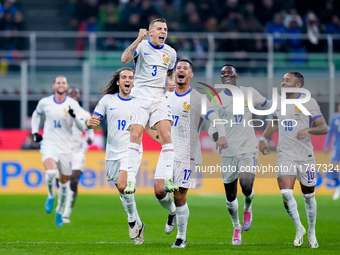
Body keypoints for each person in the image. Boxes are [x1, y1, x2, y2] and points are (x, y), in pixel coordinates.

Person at [145, 59, 228, 248]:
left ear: (190, 75)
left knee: (180, 195)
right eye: (178, 68)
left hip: (187, 153)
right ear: (174, 74)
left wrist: (221, 136)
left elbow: (214, 117)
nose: (181, 70)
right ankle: (172, 212)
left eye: (185, 68)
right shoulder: (165, 95)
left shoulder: (198, 98)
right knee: (159, 191)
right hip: (167, 151)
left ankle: (181, 237)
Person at [259, 72, 328, 248]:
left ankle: (311, 232)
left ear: (298, 86)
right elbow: (274, 122)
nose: (283, 83)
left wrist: (309, 129)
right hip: (285, 154)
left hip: (305, 156)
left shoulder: (309, 102)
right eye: (283, 80)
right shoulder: (278, 102)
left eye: (287, 80)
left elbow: (323, 127)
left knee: (308, 196)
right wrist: (263, 138)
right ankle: (299, 228)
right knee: (286, 193)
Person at [208, 64, 271, 245]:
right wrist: (218, 136)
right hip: (228, 152)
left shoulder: (249, 93)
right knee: (230, 196)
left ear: (237, 75)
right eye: (222, 73)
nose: (226, 75)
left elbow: (269, 106)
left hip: (248, 148)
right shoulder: (216, 99)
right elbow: (213, 123)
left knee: (246, 185)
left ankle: (248, 206)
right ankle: (236, 227)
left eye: (229, 72)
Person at [86, 67, 145, 245]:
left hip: (132, 150)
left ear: (134, 82)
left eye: (131, 77)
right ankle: (137, 222)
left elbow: (148, 125)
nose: (128, 80)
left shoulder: (140, 101)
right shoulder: (107, 100)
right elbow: (94, 120)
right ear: (118, 82)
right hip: (112, 152)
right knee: (121, 189)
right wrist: (90, 123)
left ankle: (132, 221)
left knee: (123, 184)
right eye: (124, 77)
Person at [120, 18, 179, 197]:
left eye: (166, 29)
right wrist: (138, 39)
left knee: (166, 135)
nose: (163, 32)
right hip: (141, 94)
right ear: (151, 32)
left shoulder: (171, 53)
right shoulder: (142, 46)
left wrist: (171, 83)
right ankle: (131, 179)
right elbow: (124, 59)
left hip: (160, 96)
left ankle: (168, 178)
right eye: (160, 29)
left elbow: (170, 75)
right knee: (136, 134)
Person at [31, 76, 86, 226]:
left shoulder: (72, 104)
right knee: (50, 172)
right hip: (49, 144)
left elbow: (83, 127)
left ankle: (59, 211)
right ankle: (50, 194)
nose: (61, 85)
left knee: (64, 183)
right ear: (54, 86)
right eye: (58, 83)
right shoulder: (45, 102)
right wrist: (35, 132)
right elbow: (36, 114)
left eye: (63, 83)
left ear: (66, 86)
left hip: (66, 148)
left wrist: (74, 117)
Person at [62, 88, 95, 223]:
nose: (73, 96)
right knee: (63, 182)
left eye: (76, 94)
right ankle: (62, 205)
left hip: (77, 152)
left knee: (74, 179)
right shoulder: (60, 112)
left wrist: (89, 138)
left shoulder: (84, 113)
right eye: (71, 94)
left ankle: (66, 212)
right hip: (62, 152)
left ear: (79, 96)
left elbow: (89, 132)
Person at [324, 103, 340, 200]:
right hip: (337, 147)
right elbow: (330, 133)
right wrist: (326, 145)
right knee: (332, 167)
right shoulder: (334, 118)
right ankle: (338, 186)